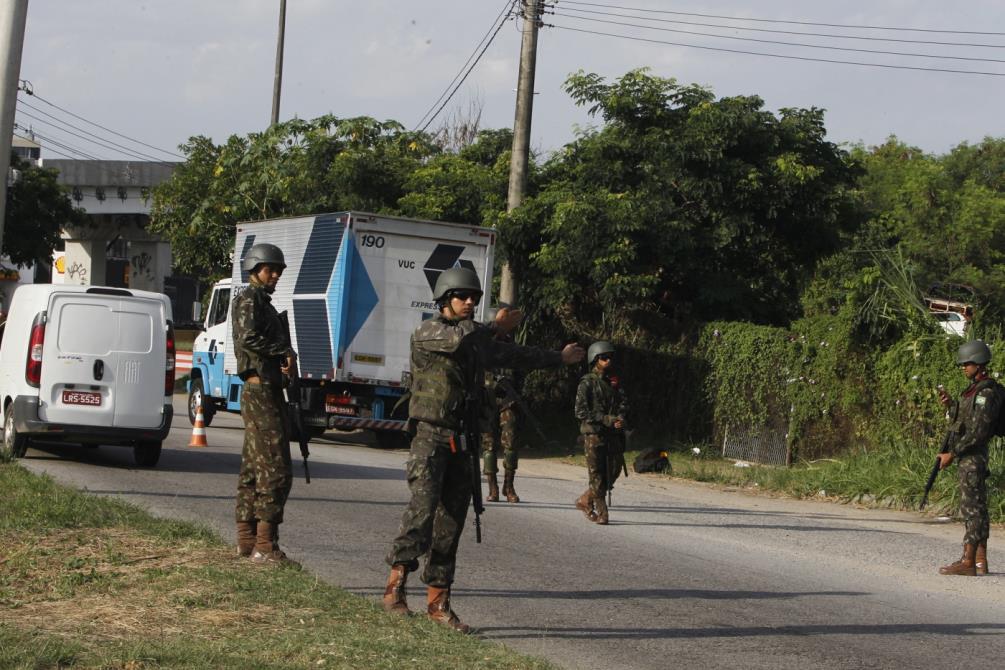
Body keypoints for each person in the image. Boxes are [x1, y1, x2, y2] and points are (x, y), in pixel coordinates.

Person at [382, 267, 584, 632]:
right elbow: (459, 342)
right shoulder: (429, 332)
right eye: (463, 297)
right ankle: (395, 588)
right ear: (445, 300)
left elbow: (514, 355)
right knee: (422, 513)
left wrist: (558, 357)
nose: (471, 302)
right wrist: (495, 327)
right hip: (430, 436)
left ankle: (438, 601)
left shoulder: (477, 340)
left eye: (474, 297)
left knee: (451, 523)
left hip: (463, 439)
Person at [232, 243, 299, 565]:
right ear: (255, 269)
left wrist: (285, 365)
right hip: (260, 393)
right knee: (276, 469)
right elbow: (247, 337)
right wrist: (281, 351)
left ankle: (248, 541)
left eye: (278, 271)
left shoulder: (262, 302)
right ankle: (264, 545)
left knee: (253, 468)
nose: (274, 275)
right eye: (270, 269)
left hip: (268, 389)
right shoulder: (249, 299)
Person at [935, 339, 1002, 576]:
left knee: (972, 508)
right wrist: (951, 404)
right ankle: (980, 561)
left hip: (973, 458)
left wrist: (952, 453)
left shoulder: (987, 393)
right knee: (977, 507)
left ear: (979, 363)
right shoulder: (974, 390)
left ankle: (968, 561)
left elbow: (979, 432)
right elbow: (966, 420)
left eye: (967, 363)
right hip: (969, 457)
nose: (964, 367)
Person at [574, 341, 629, 525]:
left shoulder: (614, 382)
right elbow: (580, 412)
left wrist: (620, 418)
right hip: (594, 434)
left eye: (610, 357)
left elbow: (624, 403)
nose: (608, 361)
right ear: (595, 359)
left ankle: (585, 500)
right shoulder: (587, 382)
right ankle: (602, 513)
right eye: (604, 357)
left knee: (613, 471)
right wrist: (604, 418)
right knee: (596, 475)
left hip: (613, 435)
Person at [480, 308, 523, 503]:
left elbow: (520, 373)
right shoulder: (481, 347)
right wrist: (490, 383)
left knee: (511, 445)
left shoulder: (511, 347)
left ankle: (509, 486)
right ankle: (493, 488)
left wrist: (515, 392)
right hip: (487, 401)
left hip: (508, 401)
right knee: (489, 446)